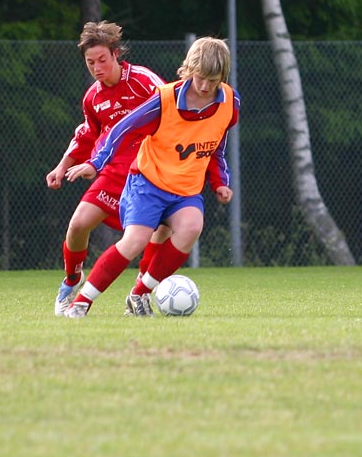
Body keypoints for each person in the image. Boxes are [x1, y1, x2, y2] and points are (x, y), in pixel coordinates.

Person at [61, 36, 239, 317]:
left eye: (213, 80)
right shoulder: (166, 99)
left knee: (192, 227)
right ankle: (81, 302)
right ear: (189, 69)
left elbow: (216, 145)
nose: (205, 86)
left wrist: (219, 182)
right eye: (201, 78)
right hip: (148, 183)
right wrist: (95, 164)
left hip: (186, 189)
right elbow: (122, 129)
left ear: (223, 76)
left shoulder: (230, 102)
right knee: (134, 241)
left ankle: (139, 294)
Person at [44, 21, 176, 316]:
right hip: (114, 172)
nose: (96, 67)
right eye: (90, 62)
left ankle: (140, 293)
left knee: (163, 229)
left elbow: (173, 114)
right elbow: (86, 134)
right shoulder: (93, 97)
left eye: (102, 59)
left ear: (116, 55)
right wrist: (63, 165)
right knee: (78, 225)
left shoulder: (144, 81)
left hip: (150, 172)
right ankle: (71, 282)